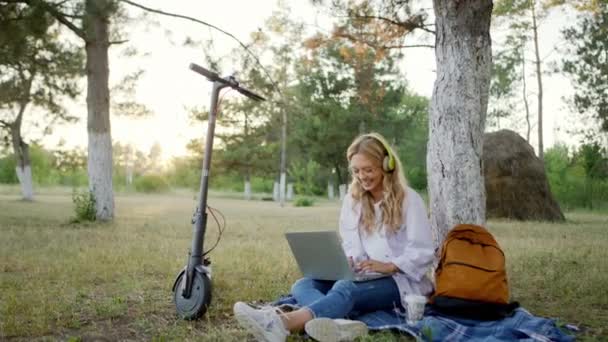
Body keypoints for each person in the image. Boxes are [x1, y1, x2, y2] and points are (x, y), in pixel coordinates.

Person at [233, 132, 435, 342]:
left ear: (386, 165)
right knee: (303, 285)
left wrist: (390, 266)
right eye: (356, 171)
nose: (362, 176)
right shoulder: (353, 200)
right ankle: (339, 323)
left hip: (400, 280)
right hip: (363, 275)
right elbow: (351, 243)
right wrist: (347, 261)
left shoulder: (409, 199)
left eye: (368, 169)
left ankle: (281, 324)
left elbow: (423, 251)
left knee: (344, 288)